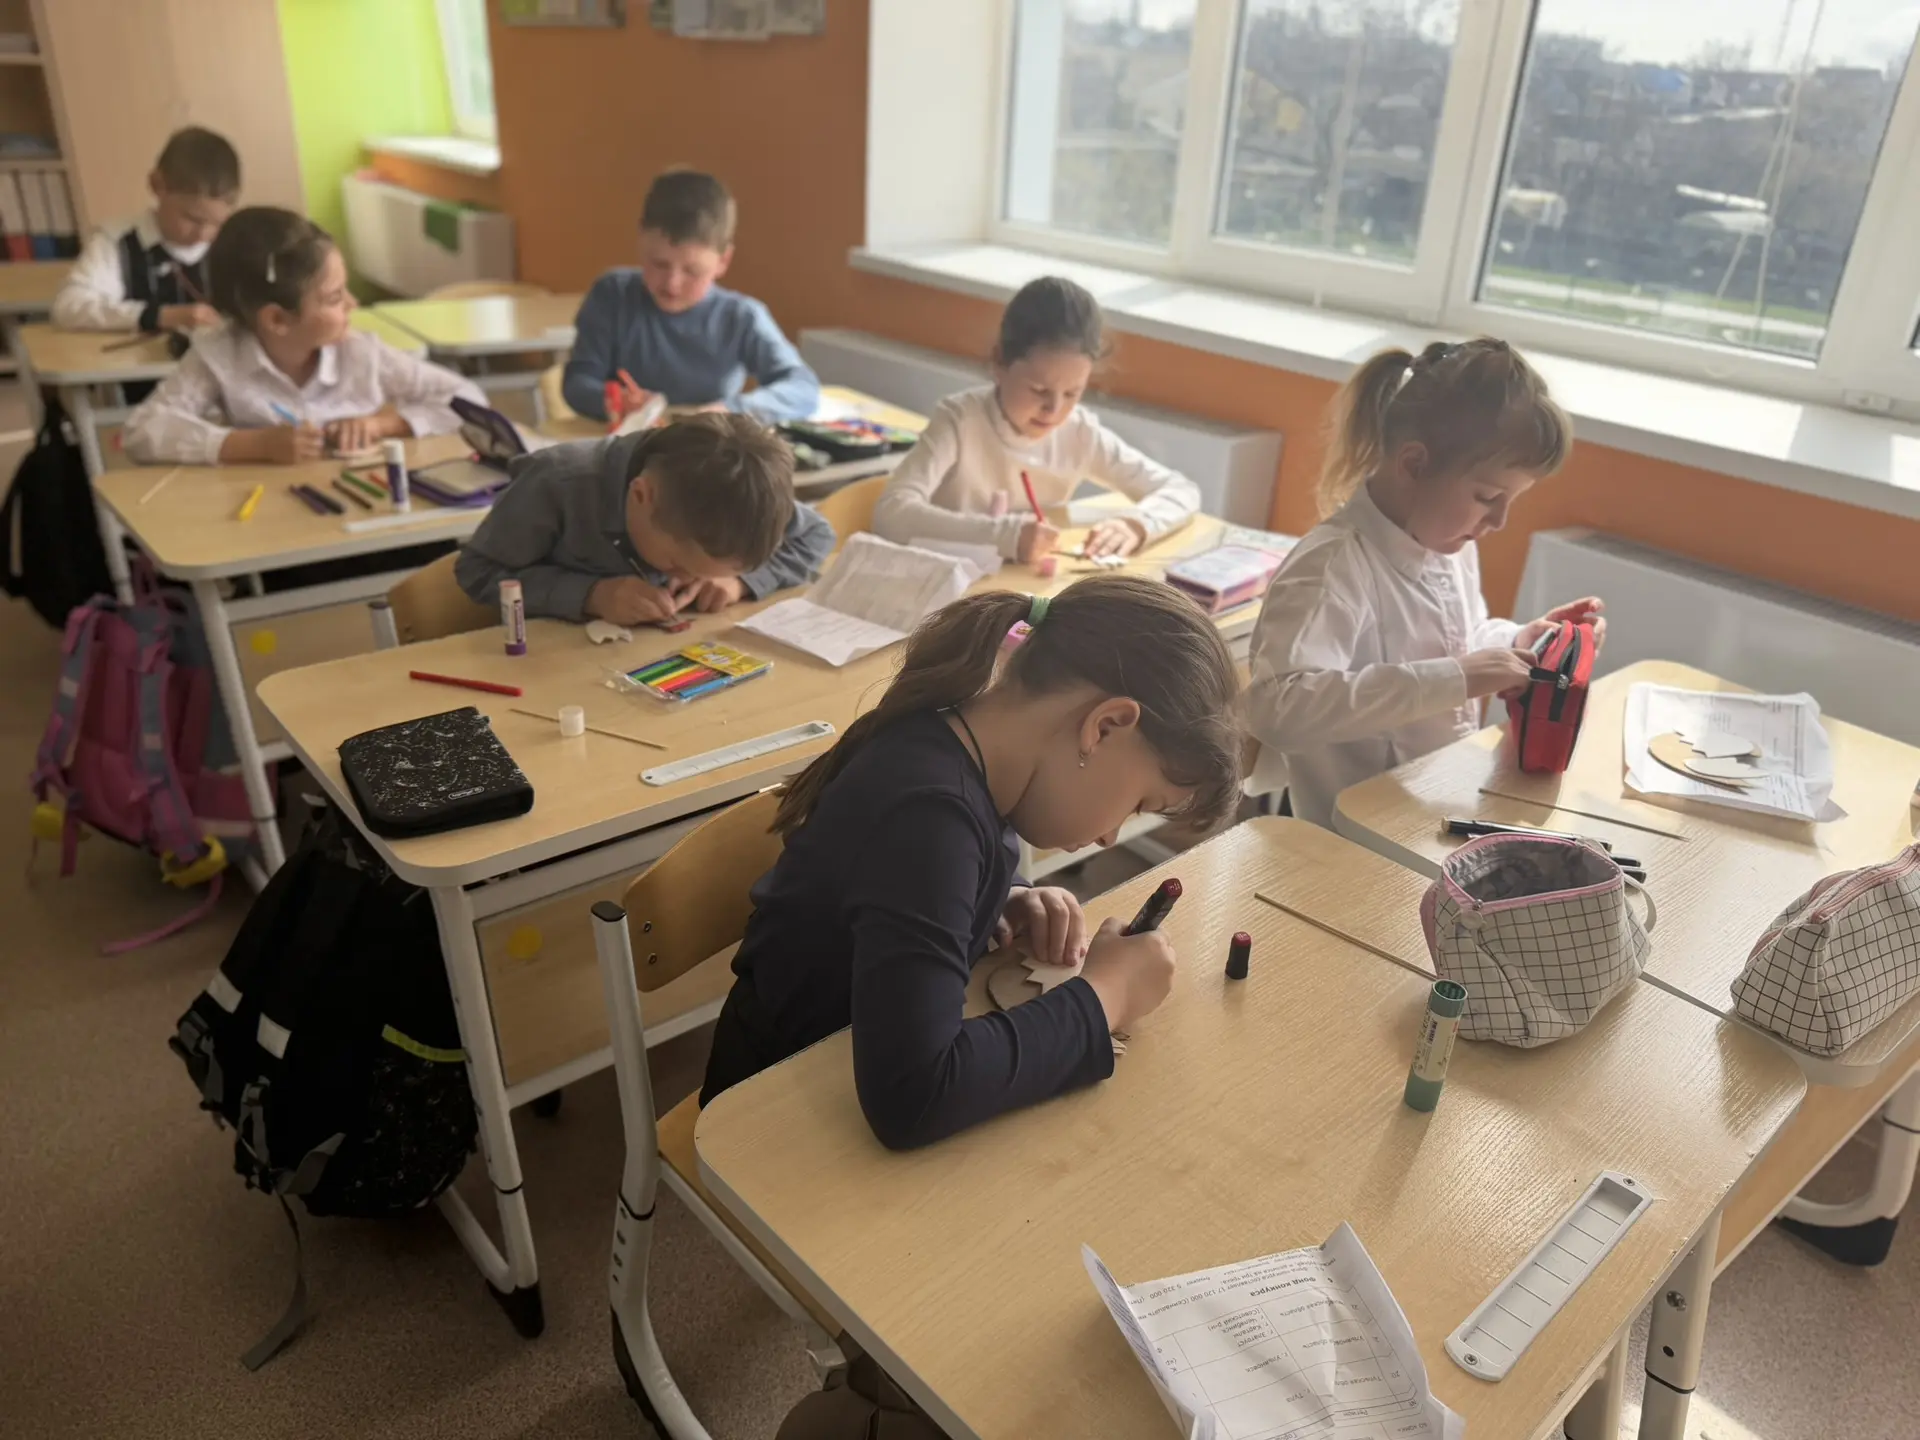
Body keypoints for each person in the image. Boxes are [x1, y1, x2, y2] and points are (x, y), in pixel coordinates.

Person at [699, 574, 1243, 1151]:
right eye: (1138, 804)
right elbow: (914, 1095)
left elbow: (902, 883)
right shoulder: (927, 814)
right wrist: (1106, 996)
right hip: (774, 1124)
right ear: (1104, 727)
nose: (1110, 837)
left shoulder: (962, 746)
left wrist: (1001, 895)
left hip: (838, 1069)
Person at [1244, 338, 1605, 827]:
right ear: (1414, 465)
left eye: (1510, 502)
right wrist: (1457, 679)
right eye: (1487, 497)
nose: (1499, 521)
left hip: (1435, 808)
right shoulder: (1331, 567)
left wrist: (1520, 643)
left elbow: (1459, 642)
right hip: (1349, 838)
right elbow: (1278, 711)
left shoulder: (1451, 544)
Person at [872, 276, 1201, 564]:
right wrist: (1004, 536)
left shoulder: (1079, 433)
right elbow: (891, 514)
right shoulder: (960, 421)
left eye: (1072, 393)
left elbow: (1180, 489)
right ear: (1000, 363)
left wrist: (1137, 525)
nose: (1054, 409)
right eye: (1039, 390)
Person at [122, 207, 483, 466]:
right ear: (277, 319)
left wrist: (380, 425)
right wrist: (255, 445)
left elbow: (470, 401)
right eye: (335, 298)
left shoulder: (361, 353)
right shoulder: (220, 354)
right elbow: (141, 431)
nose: (353, 304)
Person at [455, 412, 833, 623]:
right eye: (678, 564)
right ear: (641, 495)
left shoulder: (742, 496)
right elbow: (478, 571)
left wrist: (741, 582)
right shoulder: (557, 482)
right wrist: (591, 595)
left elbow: (816, 535)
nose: (688, 579)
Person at [561, 168, 819, 425]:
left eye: (692, 271)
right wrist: (613, 400)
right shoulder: (613, 294)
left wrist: (732, 409)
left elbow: (802, 387)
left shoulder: (740, 316)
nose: (672, 284)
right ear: (641, 241)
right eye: (659, 264)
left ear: (723, 261)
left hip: (706, 442)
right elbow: (577, 382)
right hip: (626, 441)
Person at [52, 126, 239, 336]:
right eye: (192, 219)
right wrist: (157, 316)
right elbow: (69, 307)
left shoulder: (234, 244)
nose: (203, 235)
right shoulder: (116, 241)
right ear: (157, 185)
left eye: (217, 223)